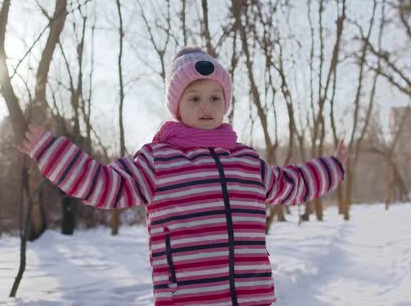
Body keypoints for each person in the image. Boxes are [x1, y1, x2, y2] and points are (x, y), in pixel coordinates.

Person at [18, 47, 348, 306]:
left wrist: (333, 167)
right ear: (177, 106)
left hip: (252, 296)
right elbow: (107, 187)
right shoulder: (157, 160)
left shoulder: (246, 161)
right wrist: (54, 154)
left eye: (215, 98)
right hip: (188, 297)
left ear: (226, 104)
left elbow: (291, 184)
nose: (206, 106)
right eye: (195, 98)